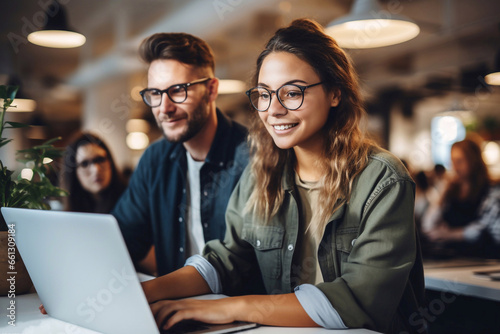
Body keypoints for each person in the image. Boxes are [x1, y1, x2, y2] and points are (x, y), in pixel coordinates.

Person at [142, 19, 425, 334]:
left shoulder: (382, 180)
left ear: (335, 93)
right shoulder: (261, 174)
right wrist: (144, 292)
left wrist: (227, 307)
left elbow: (359, 299)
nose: (273, 109)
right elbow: (227, 258)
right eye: (264, 94)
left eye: (291, 93)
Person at [111, 33, 249, 276]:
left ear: (211, 89)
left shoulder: (252, 156)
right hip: (173, 307)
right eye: (155, 93)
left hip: (237, 310)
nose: (164, 108)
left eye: (177, 90)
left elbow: (243, 264)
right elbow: (121, 239)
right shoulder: (155, 159)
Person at [422, 138, 500, 257]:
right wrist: (442, 194)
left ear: (473, 161)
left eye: (459, 161)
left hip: (481, 258)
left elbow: (483, 229)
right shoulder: (451, 190)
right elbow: (428, 225)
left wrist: (450, 234)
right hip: (452, 256)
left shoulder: (491, 190)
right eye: (452, 161)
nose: (455, 167)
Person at [61, 132, 126, 213]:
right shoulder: (70, 213)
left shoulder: (130, 200)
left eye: (100, 160)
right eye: (84, 164)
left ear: (110, 162)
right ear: (73, 173)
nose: (96, 169)